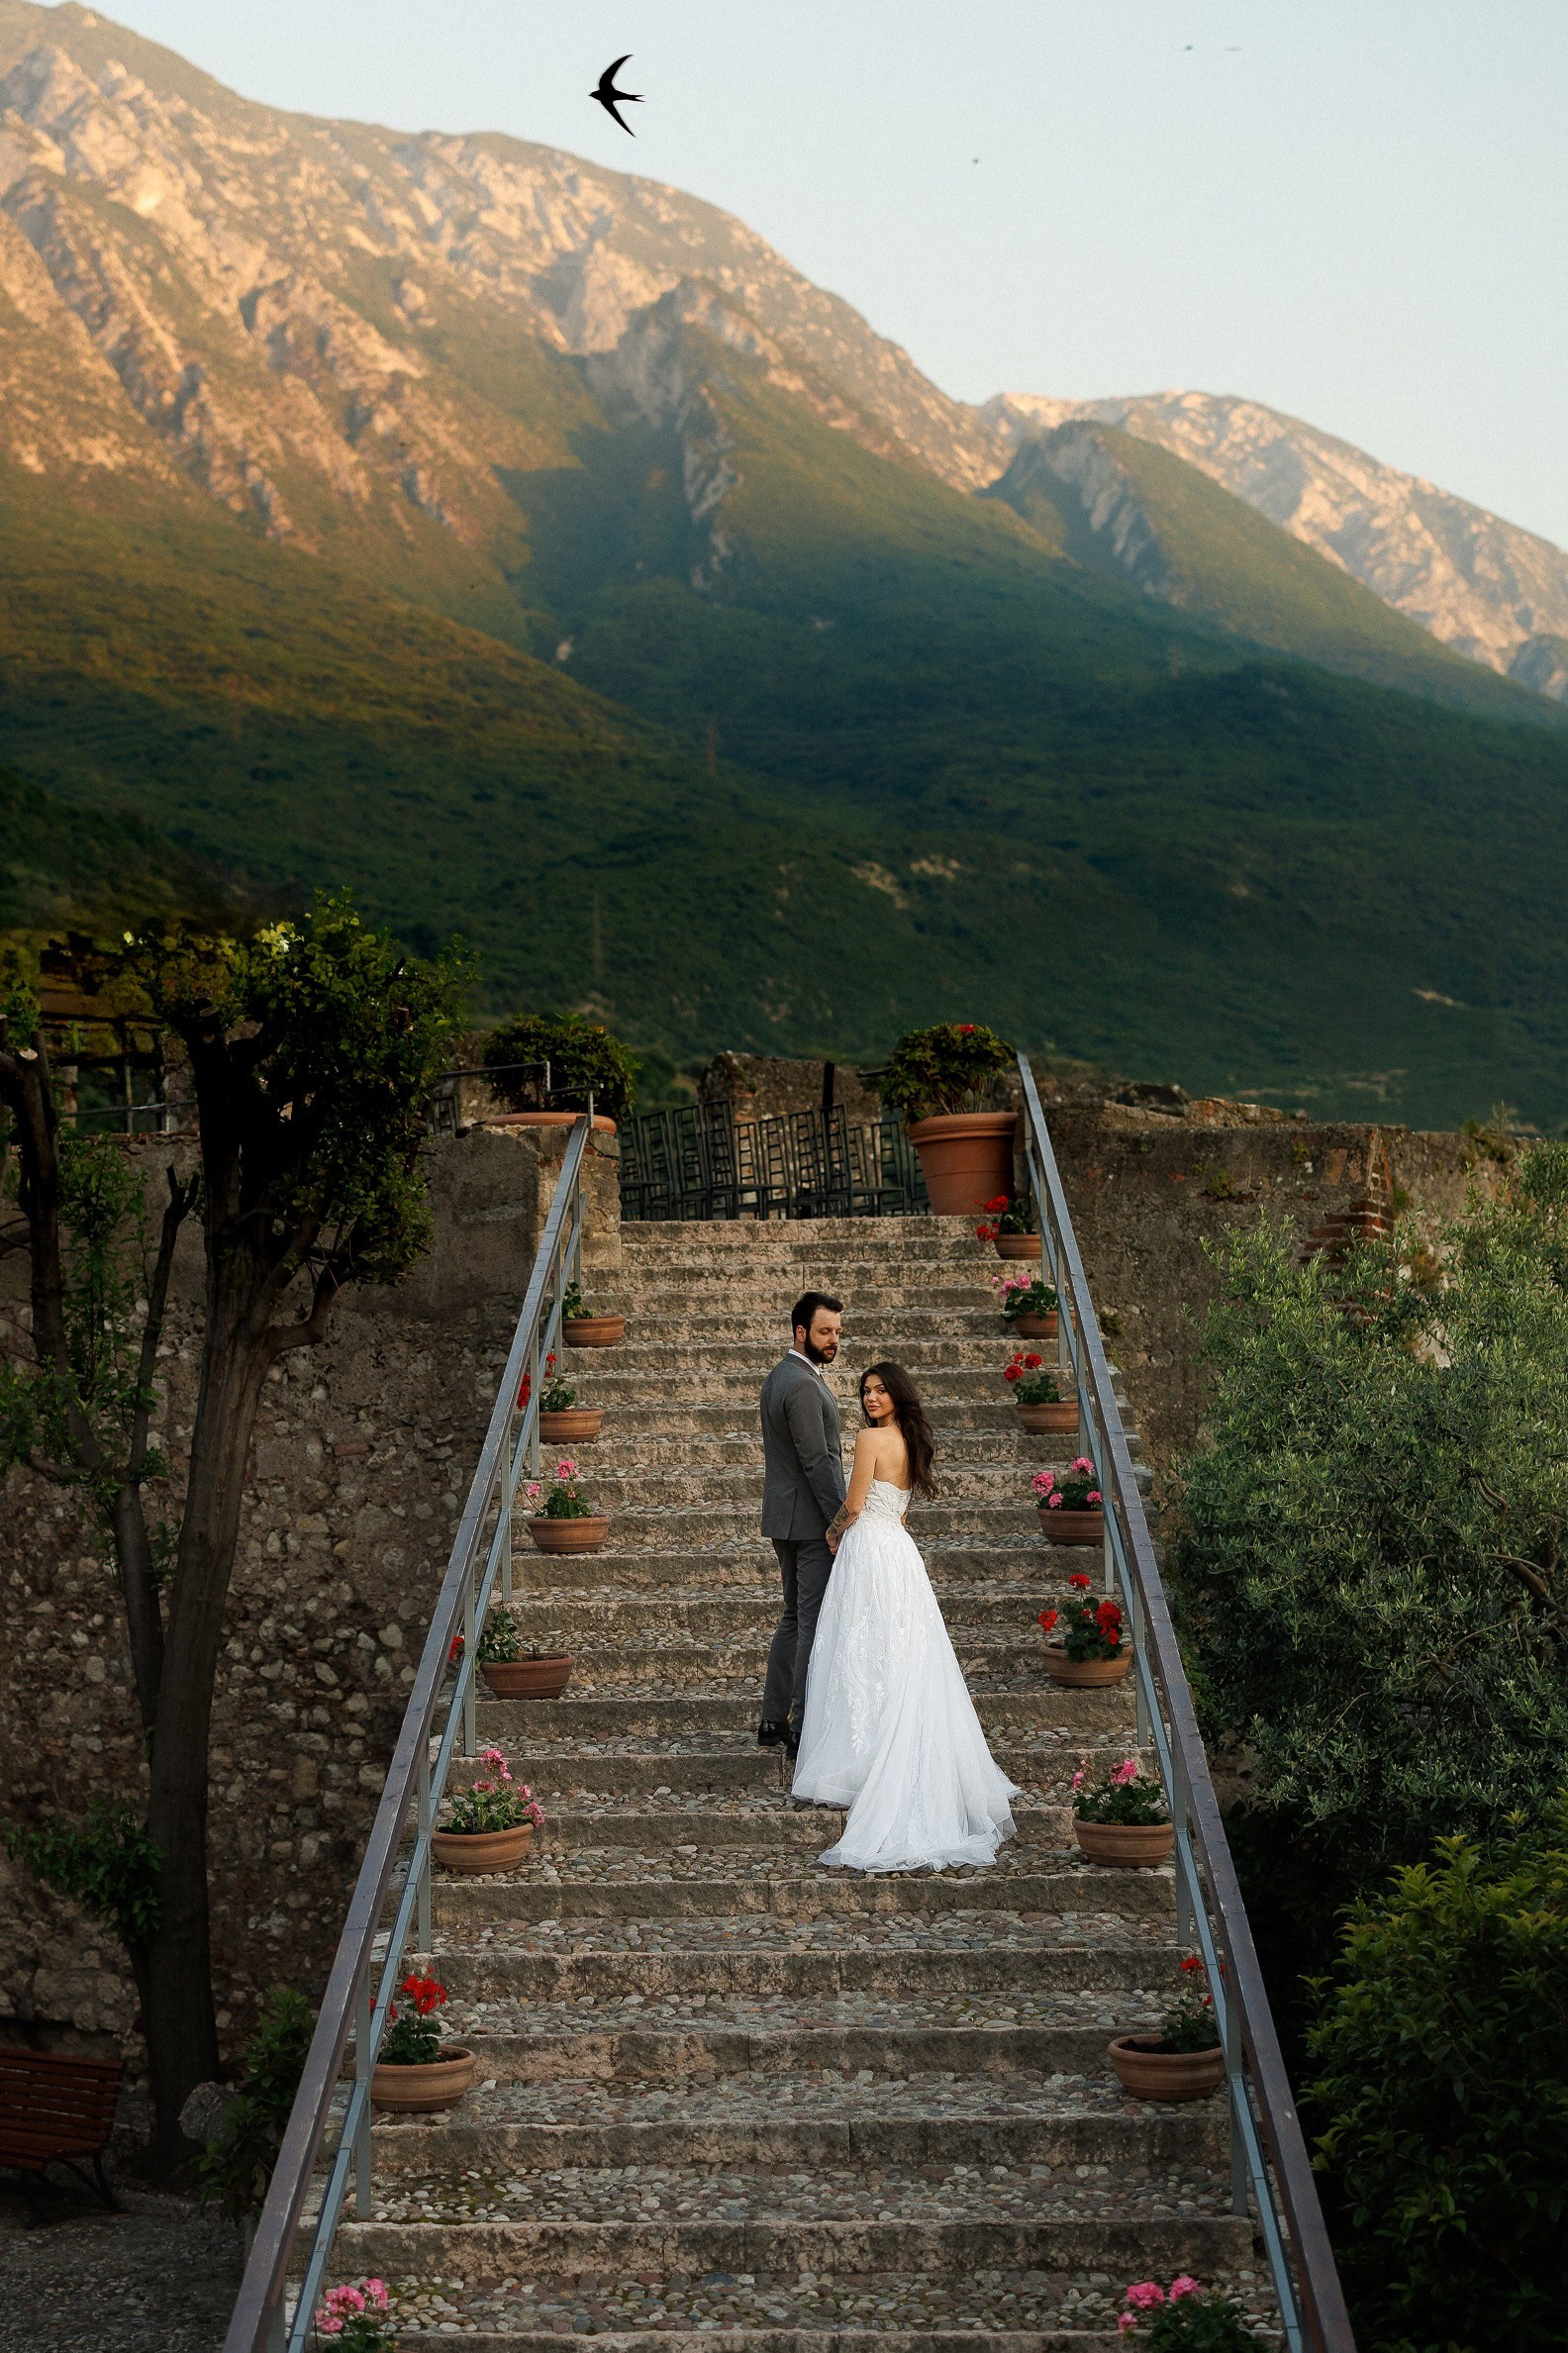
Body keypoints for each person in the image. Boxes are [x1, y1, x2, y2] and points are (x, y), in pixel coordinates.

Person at [792, 1359, 1019, 1872]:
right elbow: (901, 1507)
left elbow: (853, 1505)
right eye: (865, 1391)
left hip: (869, 1549)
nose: (871, 1398)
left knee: (862, 1648)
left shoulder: (869, 1440)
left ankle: (860, 1759)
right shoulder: (912, 1442)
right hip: (898, 1547)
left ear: (897, 1394)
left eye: (880, 1391)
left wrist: (832, 1532)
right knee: (899, 1648)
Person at [757, 1291, 846, 1757]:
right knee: (810, 1619)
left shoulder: (778, 1376)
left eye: (837, 1332)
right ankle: (801, 1725)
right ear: (800, 1332)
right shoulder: (803, 1384)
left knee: (793, 1616)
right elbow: (817, 1461)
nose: (833, 1340)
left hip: (785, 1519)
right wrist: (840, 1520)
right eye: (824, 1331)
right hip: (811, 1524)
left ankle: (773, 1719)